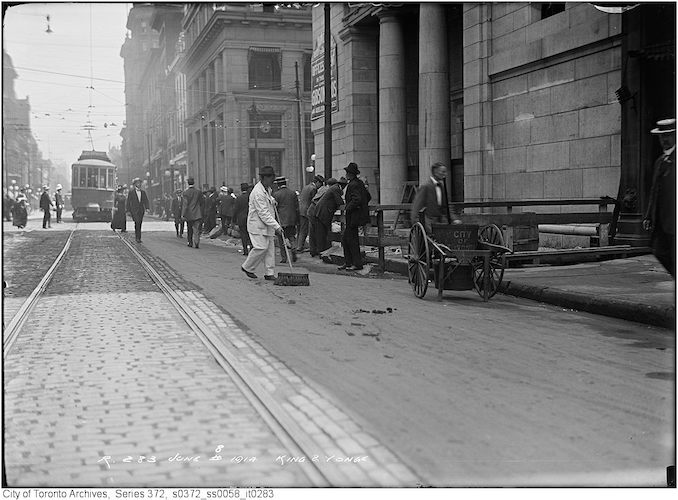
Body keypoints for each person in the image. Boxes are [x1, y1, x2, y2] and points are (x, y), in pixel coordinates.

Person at [643, 118, 676, 278]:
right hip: (662, 221)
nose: (665, 140)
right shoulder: (659, 162)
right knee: (659, 251)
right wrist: (649, 215)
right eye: (662, 137)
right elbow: (654, 191)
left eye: (668, 135)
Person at [241, 166, 283, 280]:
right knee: (261, 247)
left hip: (267, 225)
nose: (273, 180)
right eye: (271, 178)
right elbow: (263, 213)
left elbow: (268, 200)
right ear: (264, 178)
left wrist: (273, 201)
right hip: (257, 225)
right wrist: (277, 226)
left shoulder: (267, 189)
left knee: (270, 250)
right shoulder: (258, 192)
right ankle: (247, 267)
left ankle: (269, 273)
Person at [411, 161, 461, 233]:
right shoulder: (426, 187)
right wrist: (416, 223)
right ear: (435, 172)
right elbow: (417, 206)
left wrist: (454, 219)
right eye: (443, 172)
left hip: (441, 220)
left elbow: (447, 206)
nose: (445, 174)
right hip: (428, 221)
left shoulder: (442, 187)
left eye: (445, 172)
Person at [340, 163, 371, 271]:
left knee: (351, 240)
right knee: (347, 239)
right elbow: (368, 196)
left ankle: (356, 263)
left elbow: (356, 199)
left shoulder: (353, 185)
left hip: (353, 216)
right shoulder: (359, 183)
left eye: (348, 173)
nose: (346, 174)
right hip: (356, 215)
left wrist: (348, 207)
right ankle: (349, 262)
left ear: (350, 174)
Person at [272, 176, 300, 263]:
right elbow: (296, 207)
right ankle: (294, 249)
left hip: (281, 220)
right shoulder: (292, 193)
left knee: (281, 239)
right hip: (291, 219)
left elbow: (274, 209)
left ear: (278, 185)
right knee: (291, 237)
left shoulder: (276, 194)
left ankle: (284, 258)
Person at [315, 178, 344, 255]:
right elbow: (339, 201)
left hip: (321, 211)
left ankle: (323, 250)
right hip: (324, 212)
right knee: (323, 232)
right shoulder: (335, 188)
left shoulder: (333, 188)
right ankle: (323, 251)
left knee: (322, 232)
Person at [297, 175, 324, 253]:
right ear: (317, 182)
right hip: (307, 210)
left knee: (301, 229)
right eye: (320, 184)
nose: (320, 186)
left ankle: (299, 245)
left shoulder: (306, 187)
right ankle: (300, 247)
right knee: (305, 230)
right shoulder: (313, 189)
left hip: (301, 209)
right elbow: (314, 201)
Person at [307, 178, 331, 257]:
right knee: (318, 232)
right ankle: (319, 250)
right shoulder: (328, 190)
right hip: (315, 212)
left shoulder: (322, 189)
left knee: (312, 231)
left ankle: (313, 250)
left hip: (311, 210)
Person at [182, 177, 205, 249]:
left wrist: (183, 214)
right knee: (197, 229)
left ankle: (190, 242)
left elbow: (185, 204)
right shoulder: (198, 191)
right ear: (194, 183)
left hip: (189, 214)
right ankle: (197, 241)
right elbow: (202, 202)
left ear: (188, 183)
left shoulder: (186, 192)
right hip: (197, 213)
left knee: (189, 229)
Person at [126, 177, 150, 243]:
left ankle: (139, 237)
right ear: (135, 184)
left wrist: (147, 208)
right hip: (134, 210)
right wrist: (128, 210)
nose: (139, 184)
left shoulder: (143, 192)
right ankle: (137, 237)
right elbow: (128, 201)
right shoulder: (131, 192)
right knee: (137, 222)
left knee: (140, 223)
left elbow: (146, 201)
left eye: (139, 183)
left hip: (141, 210)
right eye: (137, 183)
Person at [233, 183, 252, 256]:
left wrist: (234, 220)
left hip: (241, 219)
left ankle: (245, 250)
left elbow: (236, 210)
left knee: (243, 235)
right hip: (250, 218)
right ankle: (251, 249)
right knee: (250, 234)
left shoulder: (239, 198)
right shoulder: (250, 197)